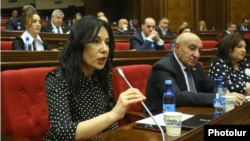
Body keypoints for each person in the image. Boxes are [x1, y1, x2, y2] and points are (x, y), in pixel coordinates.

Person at [44, 15, 146, 140]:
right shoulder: (57, 78)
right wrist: (114, 114)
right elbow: (62, 132)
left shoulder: (100, 74)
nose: (104, 49)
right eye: (96, 41)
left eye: (107, 42)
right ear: (78, 45)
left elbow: (111, 126)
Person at [143, 33, 246, 115]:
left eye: (199, 50)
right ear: (177, 47)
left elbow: (212, 86)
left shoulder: (195, 66)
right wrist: (221, 98)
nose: (197, 55)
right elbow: (177, 97)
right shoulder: (162, 67)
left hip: (192, 113)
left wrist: (226, 93)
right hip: (164, 119)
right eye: (192, 49)